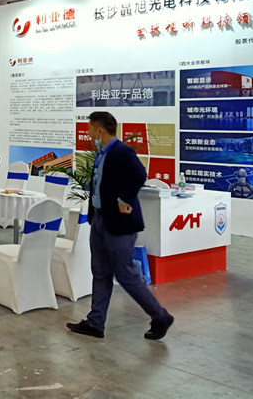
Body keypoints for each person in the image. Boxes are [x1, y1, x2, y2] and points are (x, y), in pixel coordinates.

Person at [67, 111, 174, 341]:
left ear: (99, 130)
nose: (88, 133)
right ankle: (95, 323)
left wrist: (124, 200)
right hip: (99, 219)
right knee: (100, 272)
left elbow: (139, 174)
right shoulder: (101, 153)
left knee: (125, 274)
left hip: (119, 224)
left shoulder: (122, 151)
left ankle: (160, 316)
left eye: (89, 129)